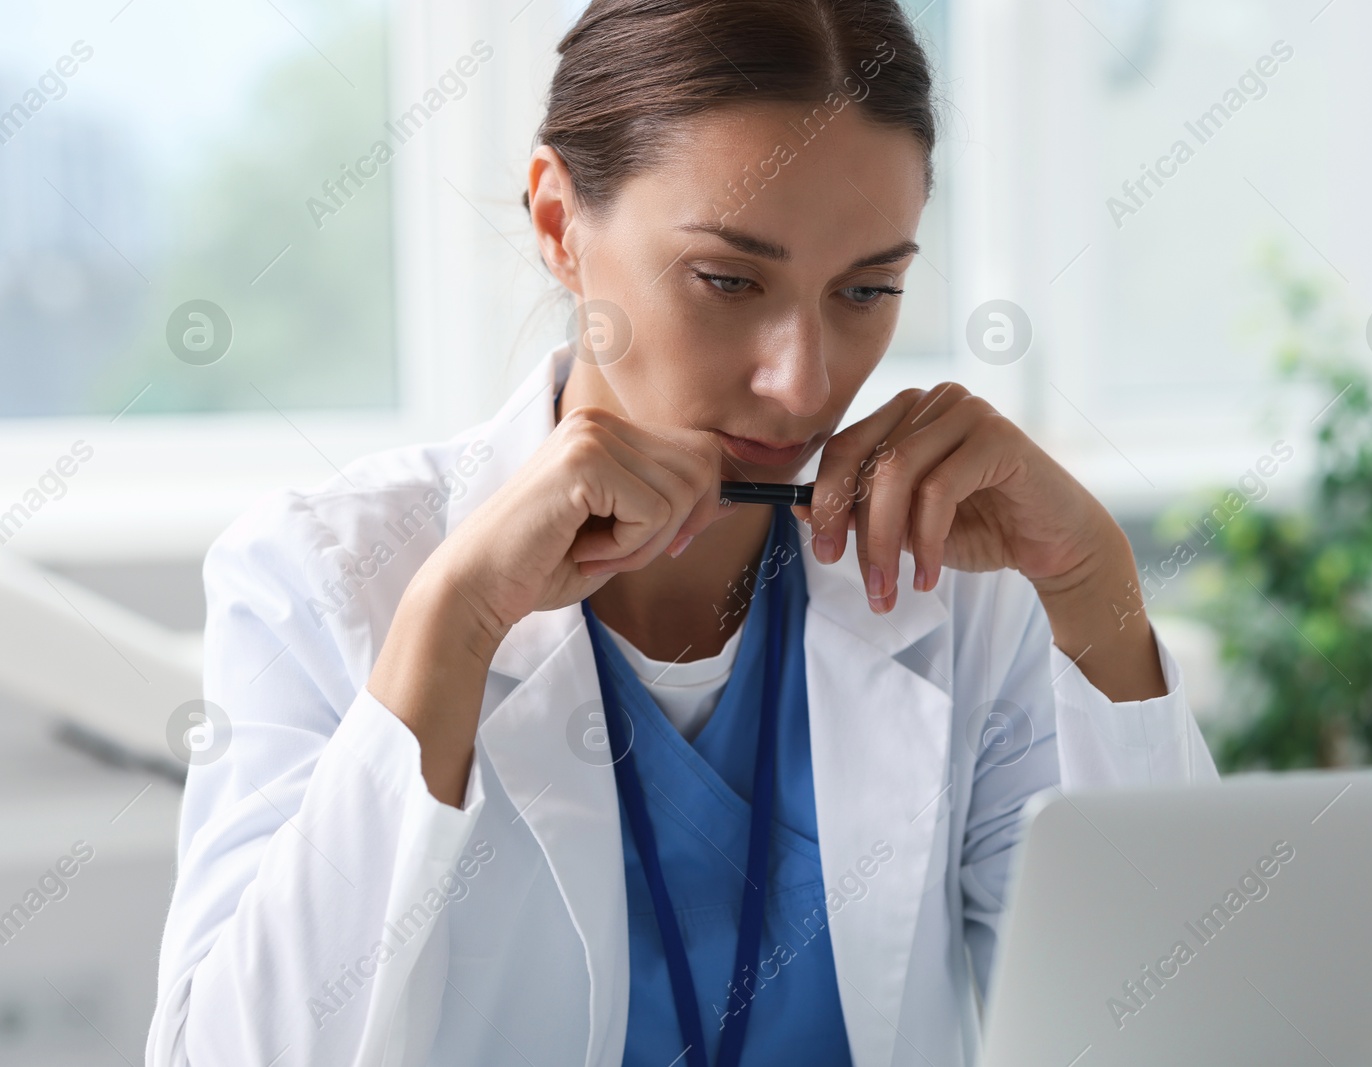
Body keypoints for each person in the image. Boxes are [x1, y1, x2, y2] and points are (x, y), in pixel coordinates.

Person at [146, 1, 1219, 1064]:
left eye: (867, 289)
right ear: (560, 226)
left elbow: (1181, 1031)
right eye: (727, 280)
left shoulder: (965, 587)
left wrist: (1092, 586)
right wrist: (448, 626)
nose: (801, 380)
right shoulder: (322, 577)